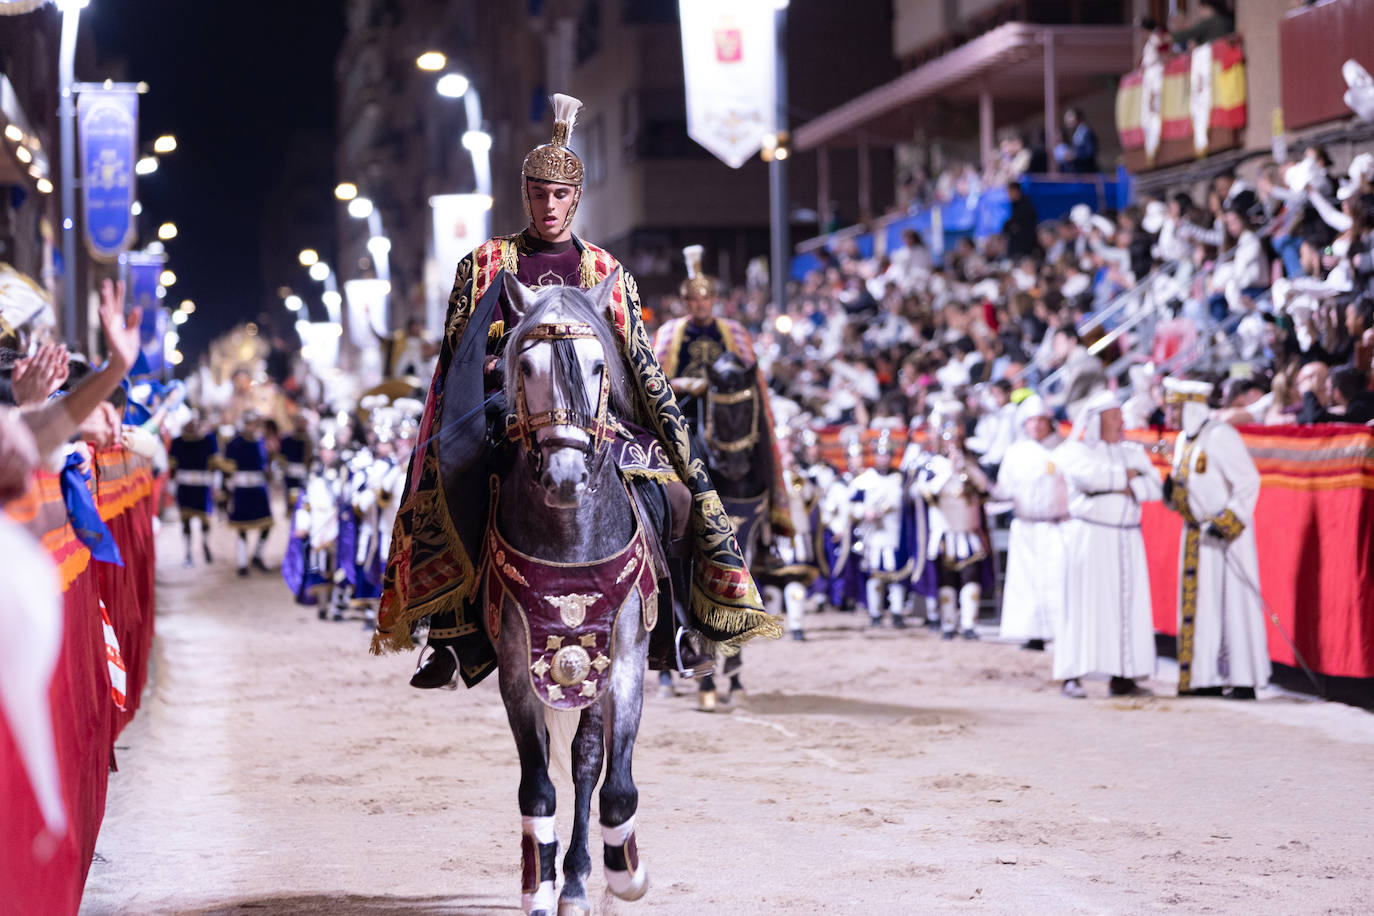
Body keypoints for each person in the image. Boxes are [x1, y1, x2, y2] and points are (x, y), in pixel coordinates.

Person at [377, 93, 775, 689]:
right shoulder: (487, 265)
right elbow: (458, 358)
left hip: (598, 421)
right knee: (453, 484)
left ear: (576, 198)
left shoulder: (605, 272)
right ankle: (451, 632)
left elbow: (636, 361)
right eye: (539, 194)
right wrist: (503, 376)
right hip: (508, 418)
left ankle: (682, 623)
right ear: (526, 196)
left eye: (560, 195)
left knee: (677, 494)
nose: (550, 206)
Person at [652, 244, 791, 536]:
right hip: (685, 415)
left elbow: (751, 378)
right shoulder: (669, 333)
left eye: (705, 299)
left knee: (758, 446)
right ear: (685, 301)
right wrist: (684, 385)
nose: (700, 305)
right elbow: (654, 380)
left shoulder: (734, 332)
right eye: (693, 300)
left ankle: (764, 532)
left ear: (714, 299)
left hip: (730, 412)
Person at [1160, 378, 1270, 699]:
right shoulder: (1182, 440)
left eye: (1175, 407)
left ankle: (1242, 677)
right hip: (1195, 534)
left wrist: (1226, 522)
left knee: (1232, 604)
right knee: (1203, 605)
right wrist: (1172, 495)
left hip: (1224, 538)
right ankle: (1204, 676)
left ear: (1191, 406)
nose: (1169, 413)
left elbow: (1248, 481)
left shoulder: (1221, 436)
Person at [1053, 391, 1163, 698]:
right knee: (1082, 606)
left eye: (1121, 415)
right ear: (1097, 421)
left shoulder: (1132, 452)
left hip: (1128, 537)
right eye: (1114, 416)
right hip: (1091, 538)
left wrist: (1129, 482)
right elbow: (1089, 478)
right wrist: (1125, 479)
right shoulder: (1075, 451)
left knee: (1128, 607)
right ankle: (1071, 674)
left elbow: (1155, 487)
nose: (1121, 421)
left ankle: (1123, 676)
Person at [993, 395, 1067, 651]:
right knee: (1027, 583)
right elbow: (1004, 488)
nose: (1035, 426)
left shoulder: (1063, 449)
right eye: (1030, 421)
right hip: (1025, 526)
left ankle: (1060, 631)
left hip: (1056, 524)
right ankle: (1031, 632)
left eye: (1040, 420)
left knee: (1057, 580)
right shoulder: (1015, 452)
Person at [917, 402, 992, 640]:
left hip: (968, 531)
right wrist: (949, 469)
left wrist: (966, 468)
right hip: (944, 533)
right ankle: (949, 624)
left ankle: (969, 624)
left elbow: (984, 487)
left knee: (971, 575)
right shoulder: (930, 465)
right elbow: (928, 493)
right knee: (946, 579)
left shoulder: (970, 463)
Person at [852, 432, 912, 628]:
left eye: (887, 454)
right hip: (873, 534)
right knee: (875, 573)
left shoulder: (900, 478)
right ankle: (875, 613)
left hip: (895, 533)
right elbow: (851, 505)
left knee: (896, 574)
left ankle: (897, 612)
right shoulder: (866, 478)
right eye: (880, 454)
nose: (883, 458)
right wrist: (864, 511)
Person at [222, 412, 273, 577]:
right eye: (251, 424)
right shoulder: (235, 443)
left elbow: (265, 464)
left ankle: (258, 554)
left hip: (259, 488)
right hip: (242, 489)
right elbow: (227, 468)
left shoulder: (261, 442)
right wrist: (226, 489)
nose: (253, 427)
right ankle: (242, 562)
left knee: (266, 524)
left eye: (256, 424)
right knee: (242, 526)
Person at [168, 412, 218, 567]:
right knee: (186, 521)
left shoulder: (207, 441)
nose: (193, 425)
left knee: (205, 520)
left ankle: (205, 544)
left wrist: (215, 482)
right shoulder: (177, 442)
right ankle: (188, 552)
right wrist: (171, 484)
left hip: (203, 486)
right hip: (185, 486)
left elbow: (213, 464)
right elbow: (173, 466)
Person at [1054, 108, 1099, 174]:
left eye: (1069, 117)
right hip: (1079, 173)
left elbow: (1091, 152)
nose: (1066, 120)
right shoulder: (1077, 133)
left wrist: (1074, 156)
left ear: (1077, 118)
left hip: (1086, 173)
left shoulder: (1086, 132)